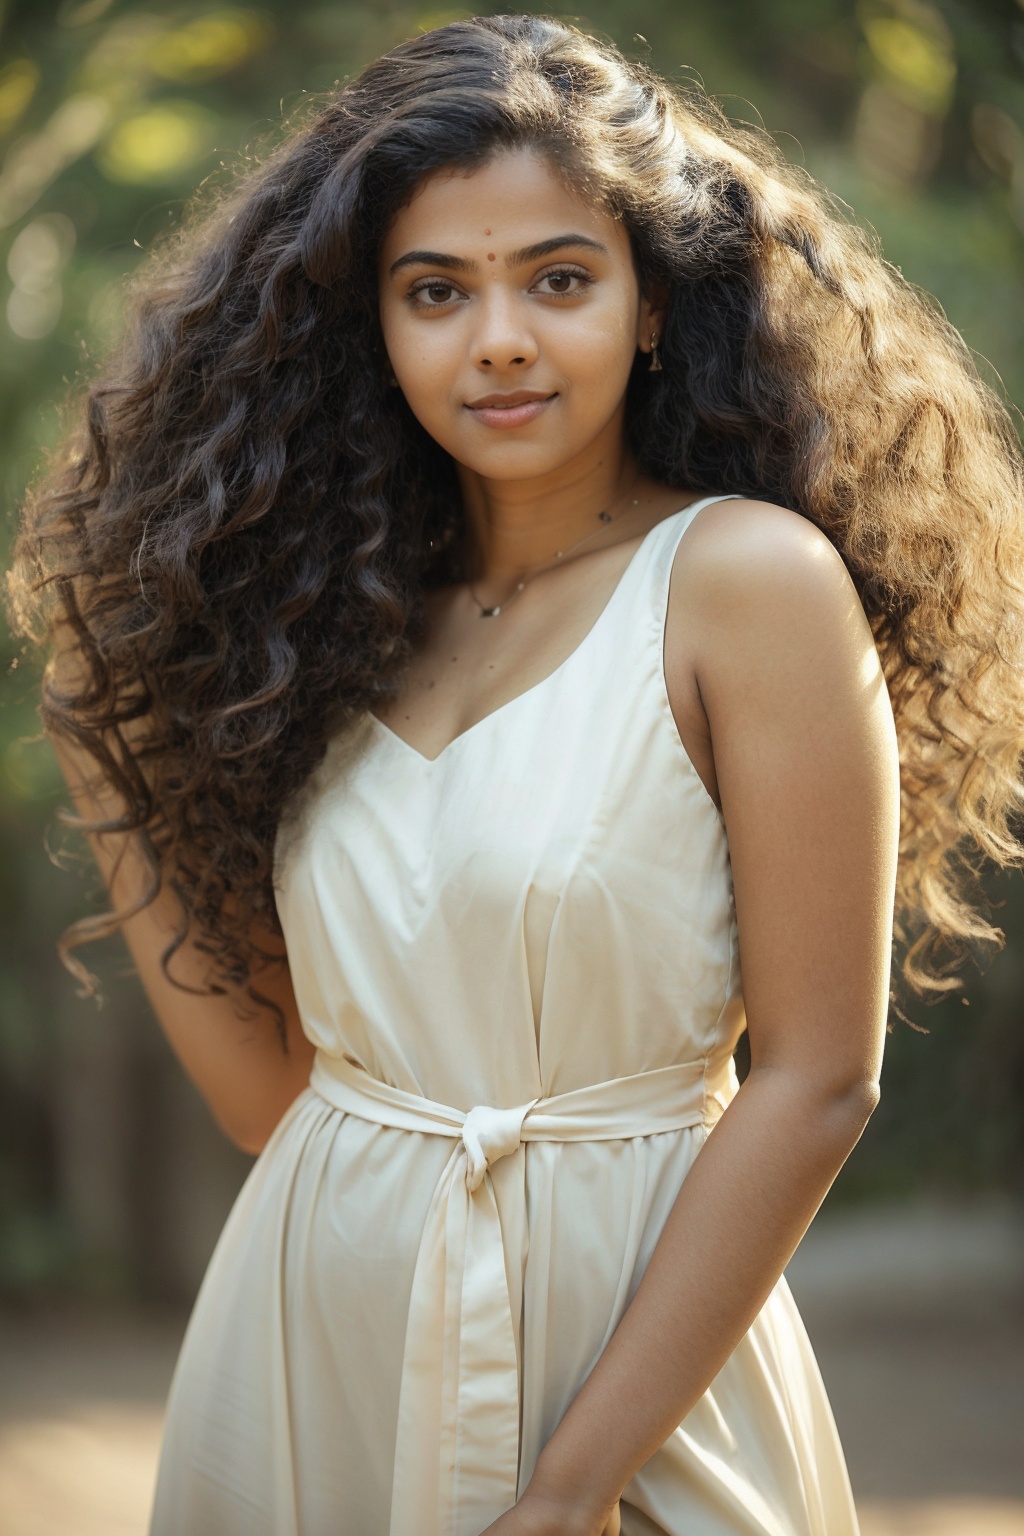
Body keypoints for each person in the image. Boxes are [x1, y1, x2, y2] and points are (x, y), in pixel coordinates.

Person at [8, 13, 1024, 1536]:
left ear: (654, 306)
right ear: (372, 328)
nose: (498, 338)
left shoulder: (746, 585)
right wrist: (106, 724)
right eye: (435, 291)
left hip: (631, 1353)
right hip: (313, 1330)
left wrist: (566, 1486)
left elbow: (818, 1080)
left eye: (559, 278)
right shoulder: (317, 638)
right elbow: (273, 1102)